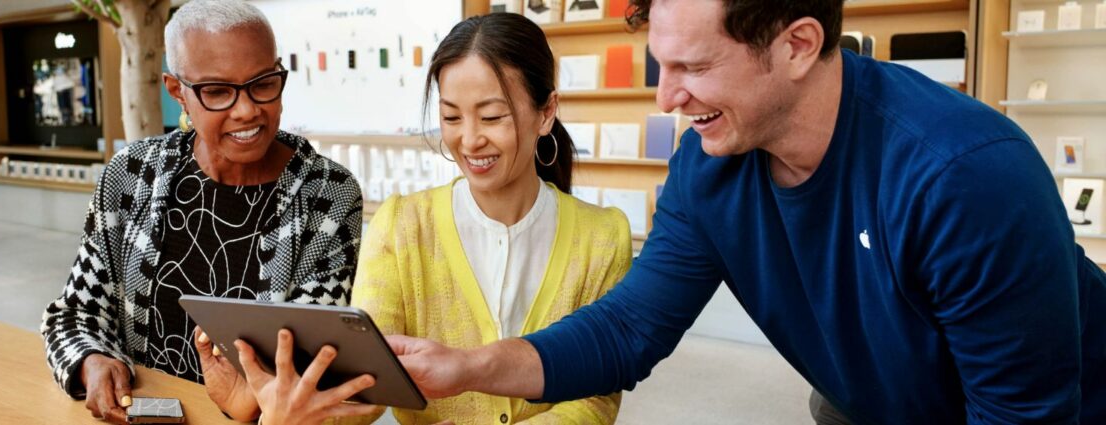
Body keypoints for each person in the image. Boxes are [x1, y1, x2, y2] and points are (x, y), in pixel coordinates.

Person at [385, 1, 1106, 424]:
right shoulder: (709, 167)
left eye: (695, 68)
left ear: (797, 46)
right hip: (872, 398)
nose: (666, 98)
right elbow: (628, 329)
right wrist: (469, 366)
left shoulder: (965, 176)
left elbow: (1022, 414)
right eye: (661, 65)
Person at [202, 12, 634, 425]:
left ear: (546, 112)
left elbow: (596, 394)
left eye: (492, 116)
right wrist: (273, 399)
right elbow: (366, 382)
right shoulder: (402, 225)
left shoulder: (602, 236)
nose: (469, 139)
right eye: (451, 117)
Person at [40, 1, 367, 423]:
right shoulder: (131, 175)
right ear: (177, 91)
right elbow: (75, 313)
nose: (247, 109)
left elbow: (313, 362)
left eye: (264, 83)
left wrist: (249, 403)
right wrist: (92, 360)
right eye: (217, 91)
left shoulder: (326, 193)